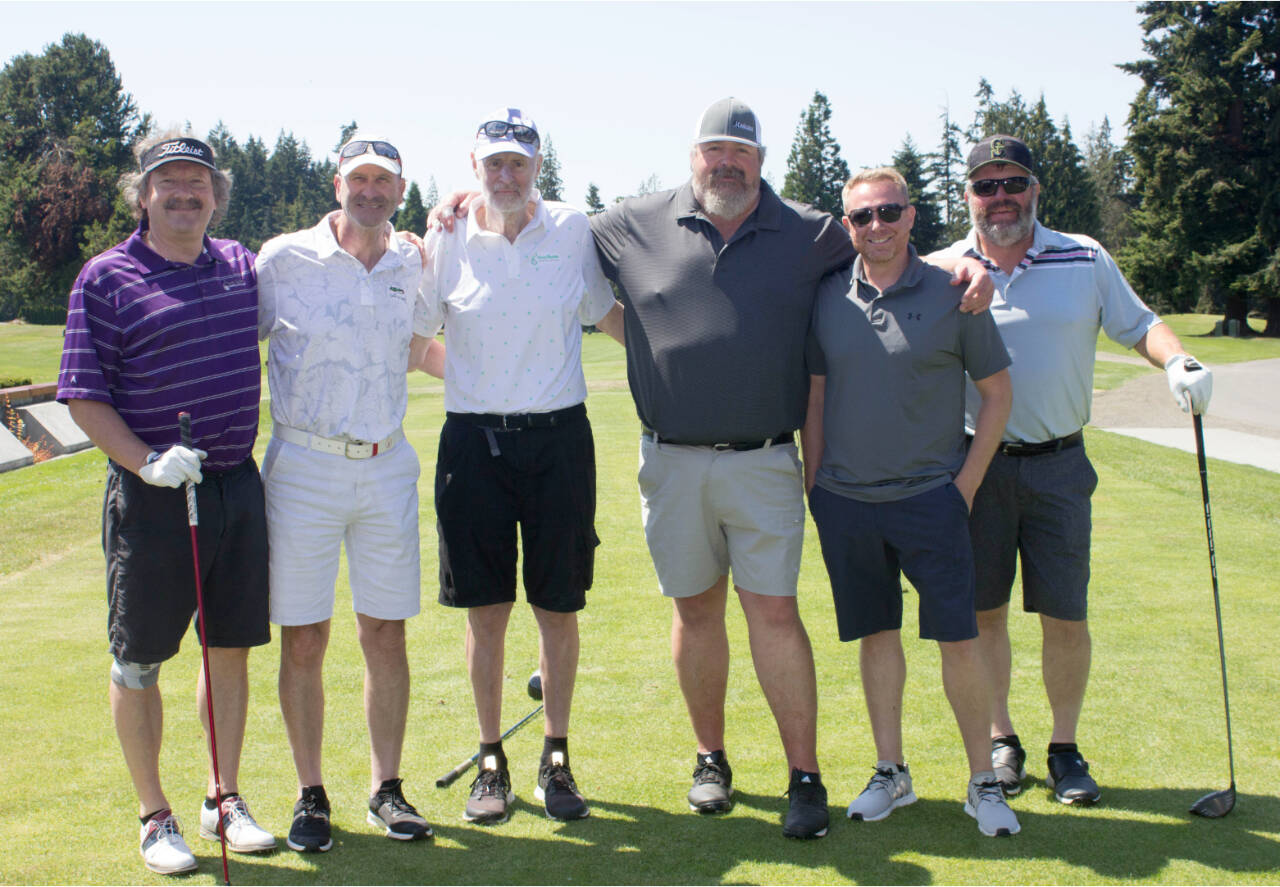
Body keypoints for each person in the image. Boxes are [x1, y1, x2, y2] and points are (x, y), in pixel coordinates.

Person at [433, 97, 991, 839]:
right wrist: (464, 200)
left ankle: (804, 773)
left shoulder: (808, 230)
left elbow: (886, 244)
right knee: (694, 611)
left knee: (774, 613)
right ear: (692, 156)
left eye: (743, 154)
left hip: (765, 459)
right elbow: (531, 218)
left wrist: (970, 259)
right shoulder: (627, 223)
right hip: (670, 460)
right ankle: (710, 760)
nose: (727, 164)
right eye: (714, 151)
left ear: (762, 162)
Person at [938, 134, 1214, 806]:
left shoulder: (1084, 256)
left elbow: (1140, 323)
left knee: (1065, 613)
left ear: (1035, 190)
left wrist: (1178, 360)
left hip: (1060, 463)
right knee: (984, 613)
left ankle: (1065, 746)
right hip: (976, 462)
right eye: (985, 186)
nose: (999, 197)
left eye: (1013, 183)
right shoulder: (941, 267)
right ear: (968, 196)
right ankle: (1005, 740)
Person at [57, 131, 276, 874]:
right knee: (140, 661)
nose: (184, 195)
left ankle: (225, 794)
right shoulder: (107, 277)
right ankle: (155, 813)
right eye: (168, 183)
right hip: (154, 497)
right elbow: (83, 395)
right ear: (142, 194)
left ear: (216, 194)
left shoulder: (240, 266)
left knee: (230, 650)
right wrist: (146, 461)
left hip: (235, 487)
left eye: (198, 183)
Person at [414, 109, 620, 825]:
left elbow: (612, 313)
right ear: (474, 167)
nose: (506, 176)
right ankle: (491, 759)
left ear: (538, 167)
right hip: (473, 444)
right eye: (493, 164)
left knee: (558, 606)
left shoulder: (572, 230)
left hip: (560, 441)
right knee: (486, 610)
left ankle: (556, 755)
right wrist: (481, 378)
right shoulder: (446, 235)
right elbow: (417, 336)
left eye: (518, 164)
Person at [802, 168, 1019, 837]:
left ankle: (984, 781)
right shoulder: (825, 296)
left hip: (932, 498)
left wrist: (966, 487)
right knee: (877, 635)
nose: (877, 226)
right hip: (847, 500)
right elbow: (815, 395)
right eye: (863, 217)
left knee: (959, 637)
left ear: (911, 215)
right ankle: (891, 771)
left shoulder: (955, 291)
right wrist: (816, 485)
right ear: (848, 227)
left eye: (888, 212)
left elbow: (997, 395)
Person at [256, 133, 433, 851]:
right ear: (337, 184)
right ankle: (310, 793)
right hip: (303, 464)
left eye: (382, 182)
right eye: (358, 179)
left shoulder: (412, 261)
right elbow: (242, 343)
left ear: (399, 189)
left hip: (387, 462)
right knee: (304, 637)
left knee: (385, 631)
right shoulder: (283, 259)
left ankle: (386, 787)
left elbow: (421, 349)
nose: (370, 191)